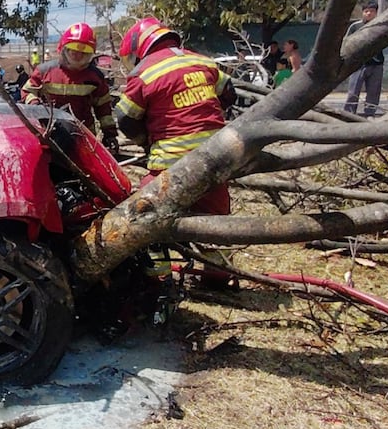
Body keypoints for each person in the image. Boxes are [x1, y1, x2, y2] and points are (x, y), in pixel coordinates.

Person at [115, 17, 238, 287]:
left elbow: (123, 117)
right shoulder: (203, 61)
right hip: (217, 158)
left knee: (146, 219)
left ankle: (158, 281)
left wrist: (145, 140)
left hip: (170, 165)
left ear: (138, 49)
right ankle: (218, 277)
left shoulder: (144, 72)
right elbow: (230, 92)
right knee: (216, 223)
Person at [21, 22, 119, 153]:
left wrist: (110, 134)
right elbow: (27, 91)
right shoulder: (45, 72)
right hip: (49, 133)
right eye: (74, 51)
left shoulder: (95, 77)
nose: (78, 57)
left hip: (83, 136)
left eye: (83, 53)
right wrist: (37, 106)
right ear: (63, 49)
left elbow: (104, 109)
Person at [344, 1, 385, 117]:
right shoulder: (355, 26)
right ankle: (348, 114)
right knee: (353, 92)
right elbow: (346, 42)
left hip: (377, 64)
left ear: (376, 13)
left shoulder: (381, 26)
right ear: (362, 12)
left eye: (372, 11)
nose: (369, 14)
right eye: (366, 11)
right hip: (358, 65)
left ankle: (370, 114)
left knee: (374, 92)